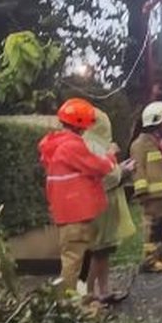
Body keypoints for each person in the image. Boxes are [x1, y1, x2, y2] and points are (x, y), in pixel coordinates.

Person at [39, 98, 119, 292]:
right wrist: (111, 155)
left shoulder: (54, 145)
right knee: (73, 262)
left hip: (65, 214)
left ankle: (77, 297)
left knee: (73, 259)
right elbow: (101, 166)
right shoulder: (72, 146)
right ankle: (70, 302)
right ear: (81, 125)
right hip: (77, 214)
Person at [80, 107, 137, 303]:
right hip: (100, 206)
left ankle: (103, 290)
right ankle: (89, 293)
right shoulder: (93, 146)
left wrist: (119, 169)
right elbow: (106, 176)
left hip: (103, 204)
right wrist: (124, 171)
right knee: (99, 251)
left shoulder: (92, 143)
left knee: (104, 251)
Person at [130, 101, 162, 273]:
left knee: (161, 228)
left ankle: (159, 257)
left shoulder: (158, 143)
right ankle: (149, 261)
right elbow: (138, 170)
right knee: (152, 229)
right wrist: (142, 192)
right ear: (156, 120)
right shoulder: (140, 144)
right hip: (152, 196)